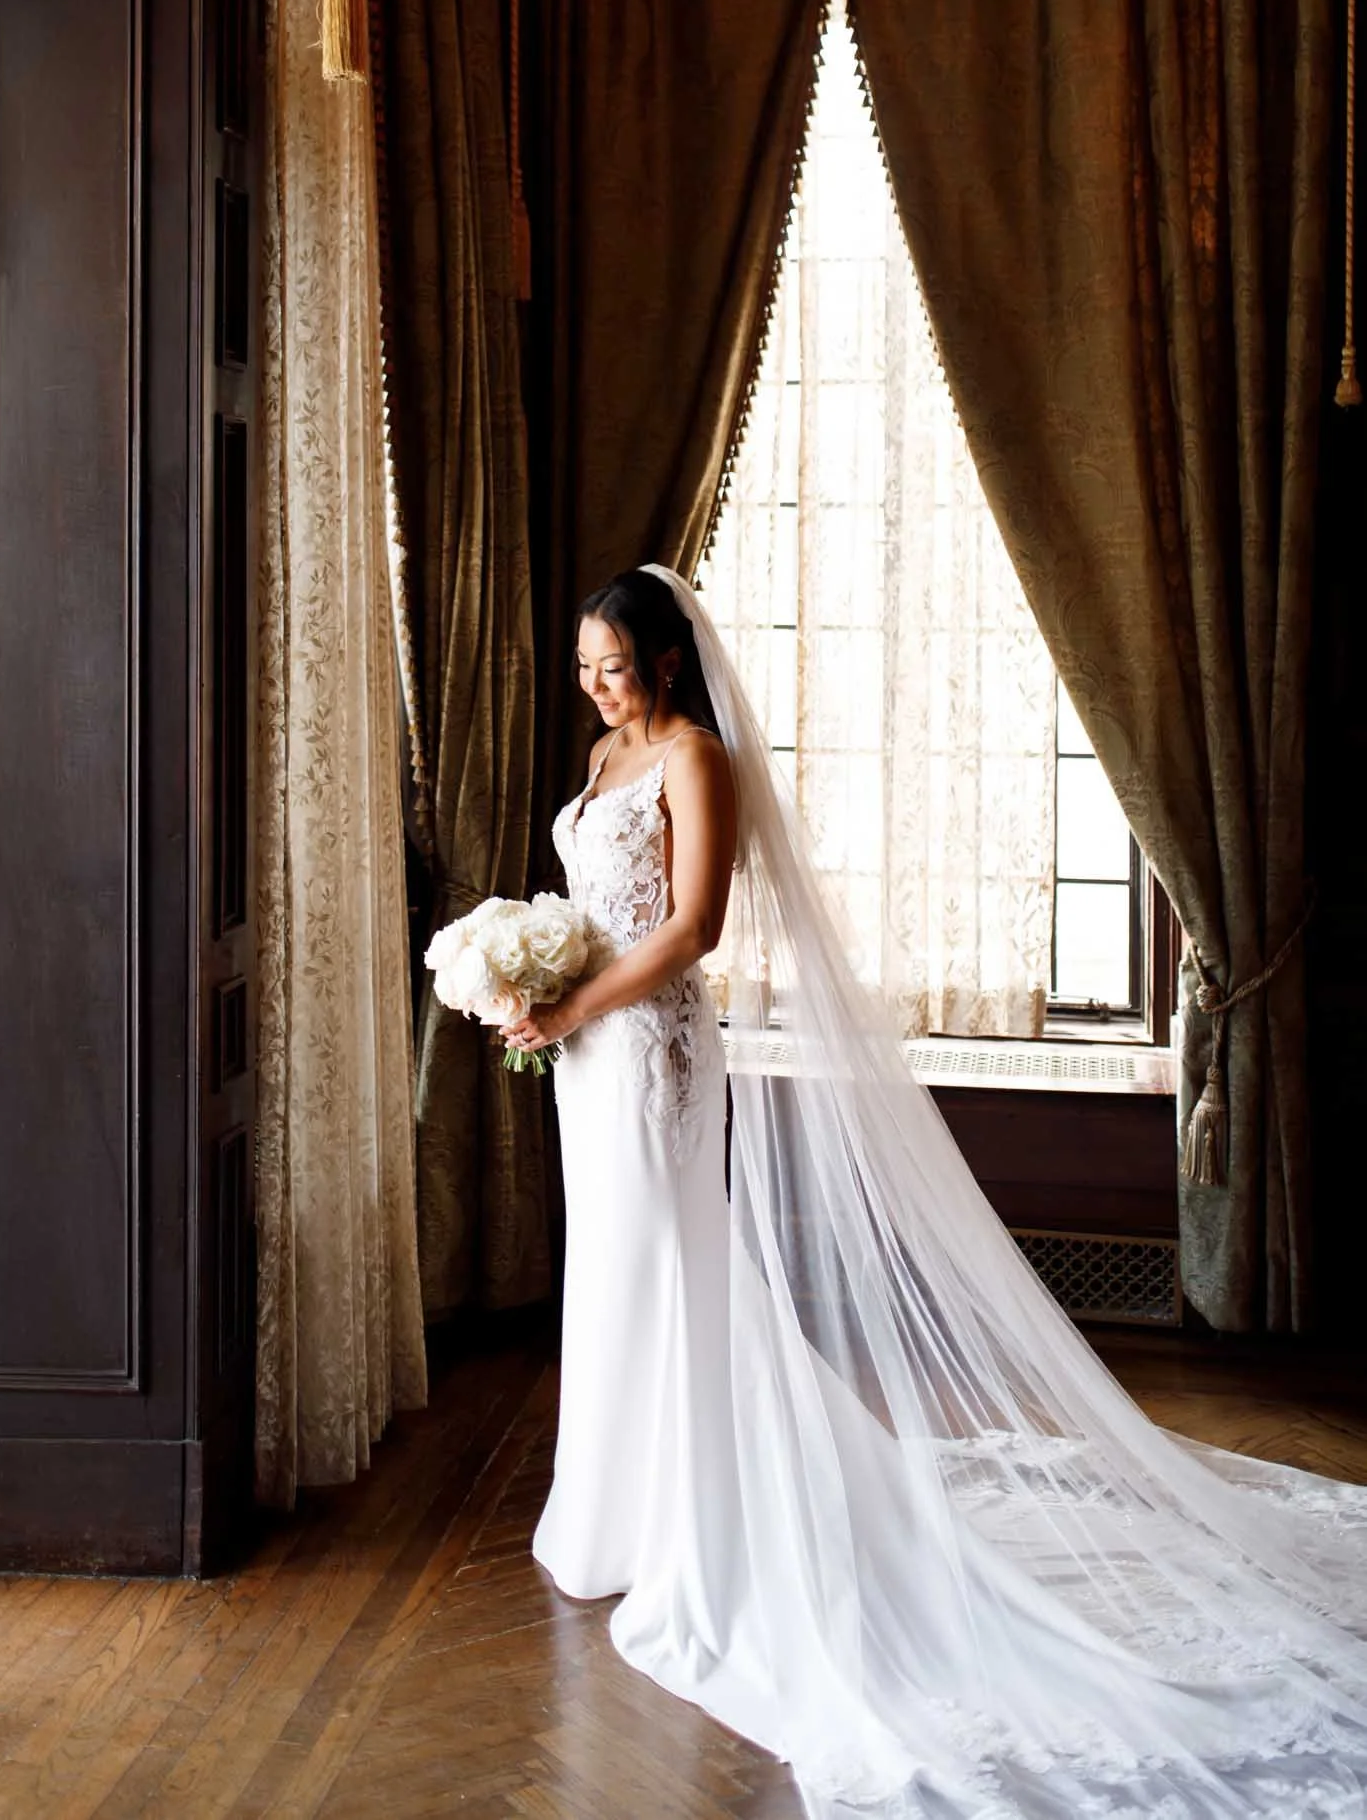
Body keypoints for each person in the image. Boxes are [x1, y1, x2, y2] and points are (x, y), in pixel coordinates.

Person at [500, 563, 1367, 1819]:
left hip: (655, 1059)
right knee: (614, 1277)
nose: (594, 682)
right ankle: (615, 1505)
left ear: (670, 665)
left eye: (614, 664)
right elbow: (588, 903)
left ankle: (692, 1521)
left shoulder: (695, 756)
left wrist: (573, 997)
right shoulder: (597, 756)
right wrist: (528, 981)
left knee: (667, 1272)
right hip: (586, 1055)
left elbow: (691, 931)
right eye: (584, 663)